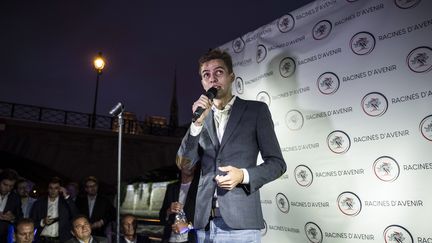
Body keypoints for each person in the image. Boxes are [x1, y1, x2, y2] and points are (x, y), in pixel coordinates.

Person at [176, 49, 286, 243]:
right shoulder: (200, 118)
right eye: (206, 75)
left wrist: (243, 175)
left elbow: (277, 164)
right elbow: (184, 165)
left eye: (219, 72)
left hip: (241, 227)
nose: (212, 79)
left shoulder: (256, 111)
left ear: (231, 76)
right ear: (202, 82)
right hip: (204, 226)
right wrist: (196, 125)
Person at [159, 164, 199, 243]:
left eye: (193, 162)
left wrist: (187, 226)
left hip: (189, 239)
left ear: (195, 167)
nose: (190, 165)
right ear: (180, 165)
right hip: (169, 239)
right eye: (187, 162)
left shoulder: (200, 188)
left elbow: (205, 219)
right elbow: (161, 216)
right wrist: (169, 211)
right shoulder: (171, 188)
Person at [30, 176, 78, 243]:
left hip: (61, 240)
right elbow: (31, 222)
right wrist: (42, 222)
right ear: (47, 189)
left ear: (60, 189)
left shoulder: (66, 202)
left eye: (56, 188)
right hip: (42, 240)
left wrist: (66, 195)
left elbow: (75, 215)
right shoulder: (39, 203)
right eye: (51, 188)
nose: (53, 191)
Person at [0, 169, 22, 243]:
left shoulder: (16, 198)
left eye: (11, 186)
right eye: (5, 184)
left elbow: (20, 218)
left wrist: (12, 218)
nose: (8, 188)